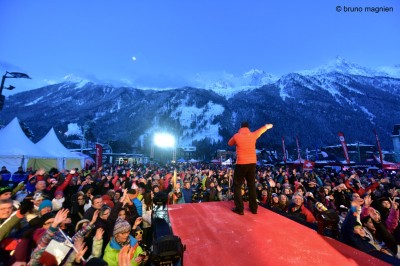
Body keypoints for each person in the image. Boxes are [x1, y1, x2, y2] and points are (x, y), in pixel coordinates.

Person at [228, 121, 273, 215]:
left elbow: (229, 143)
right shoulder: (253, 135)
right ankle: (254, 208)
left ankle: (240, 208)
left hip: (241, 163)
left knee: (237, 185)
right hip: (252, 163)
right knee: (251, 185)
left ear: (240, 127)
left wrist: (237, 137)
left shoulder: (237, 135)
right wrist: (266, 126)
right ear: (248, 127)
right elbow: (260, 131)